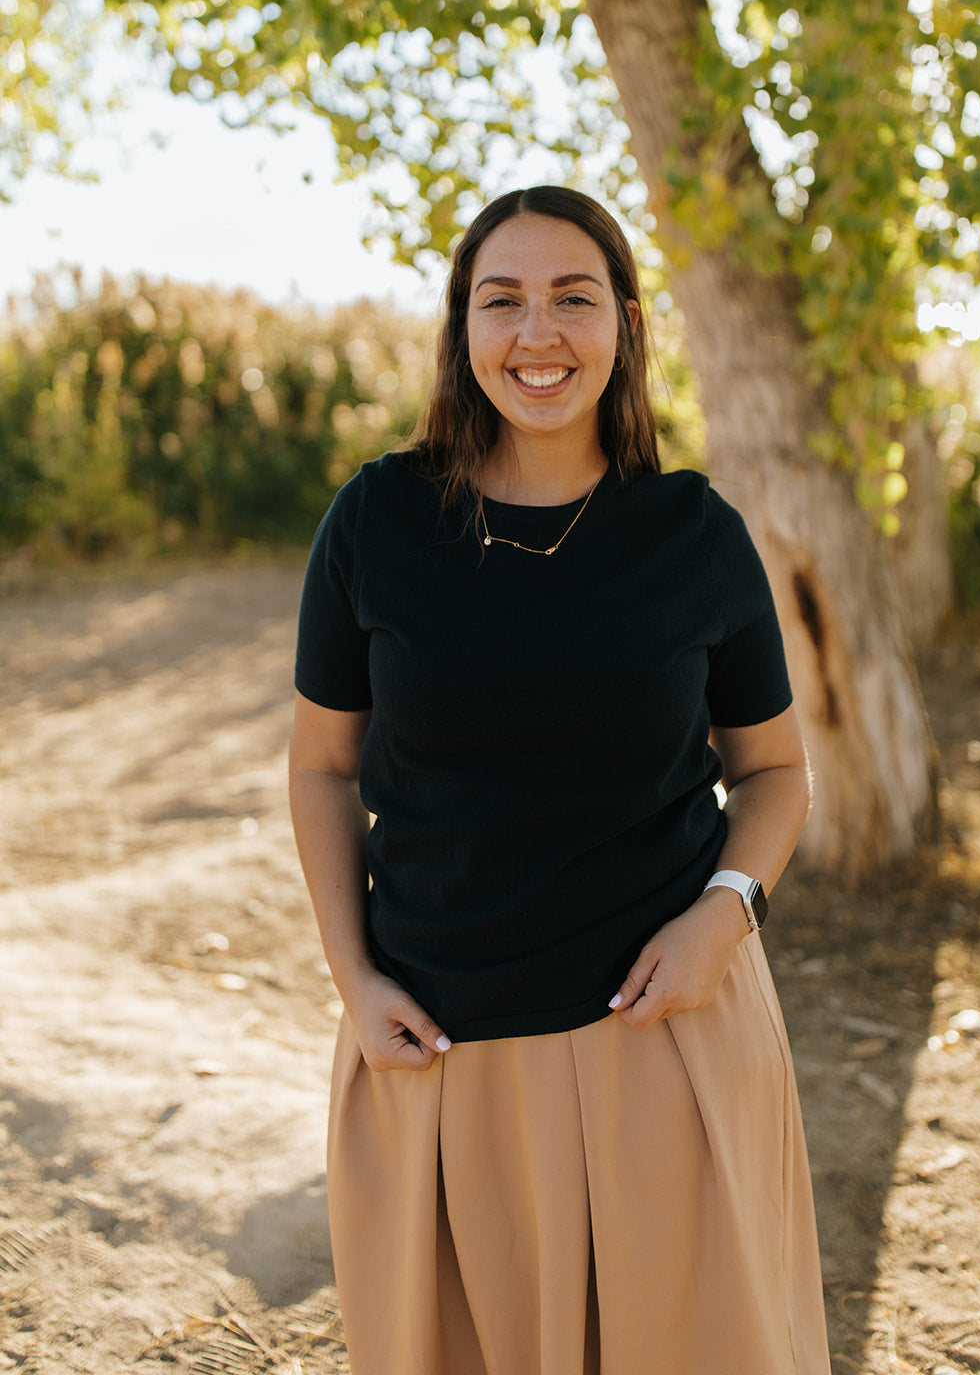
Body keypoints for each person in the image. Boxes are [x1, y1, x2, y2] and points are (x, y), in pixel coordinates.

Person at [289, 185, 831, 1375]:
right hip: (435, 1050)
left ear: (626, 326)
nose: (538, 334)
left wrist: (722, 914)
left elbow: (776, 771)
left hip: (664, 1040)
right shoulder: (374, 523)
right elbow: (323, 769)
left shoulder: (694, 533)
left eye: (572, 299)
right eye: (503, 300)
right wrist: (352, 974)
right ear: (461, 327)